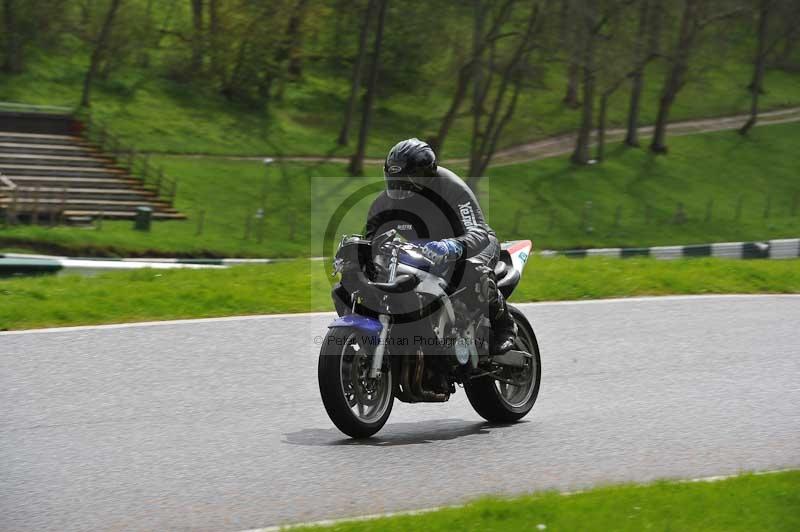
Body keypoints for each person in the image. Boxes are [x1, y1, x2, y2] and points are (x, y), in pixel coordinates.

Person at [340, 137, 517, 355]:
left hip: (473, 244)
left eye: (407, 181)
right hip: (424, 252)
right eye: (394, 181)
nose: (399, 189)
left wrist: (452, 246)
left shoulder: (450, 187)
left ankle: (505, 325)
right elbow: (373, 243)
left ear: (427, 177)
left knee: (473, 269)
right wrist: (355, 255)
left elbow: (477, 231)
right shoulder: (383, 203)